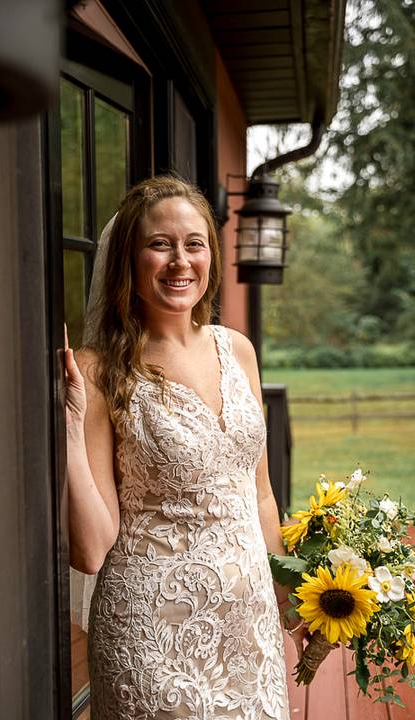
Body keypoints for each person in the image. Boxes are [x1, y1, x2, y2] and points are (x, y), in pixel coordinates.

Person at [64, 175, 308, 720]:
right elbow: (89, 549)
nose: (180, 261)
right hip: (152, 635)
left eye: (193, 243)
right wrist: (72, 431)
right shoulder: (99, 370)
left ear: (211, 255)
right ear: (130, 257)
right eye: (160, 244)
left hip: (248, 628)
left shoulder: (237, 350)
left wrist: (287, 591)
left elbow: (260, 494)